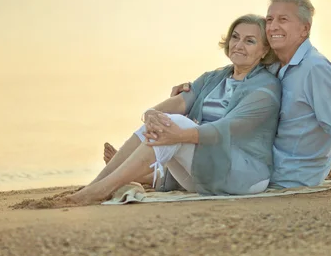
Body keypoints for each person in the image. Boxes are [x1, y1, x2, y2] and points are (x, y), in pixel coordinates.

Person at [163, 0, 331, 197]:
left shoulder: (316, 69)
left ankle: (130, 173)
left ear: (305, 29)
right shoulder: (273, 66)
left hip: (287, 176)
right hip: (257, 163)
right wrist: (192, 90)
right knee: (173, 141)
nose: (272, 27)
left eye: (283, 19)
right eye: (269, 19)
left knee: (177, 139)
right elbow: (231, 86)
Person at [59, 14, 281, 206]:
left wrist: (180, 133)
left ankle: (103, 188)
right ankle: (97, 184)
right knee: (166, 120)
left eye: (249, 41)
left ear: (264, 51)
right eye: (235, 37)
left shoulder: (265, 89)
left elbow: (226, 130)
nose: (238, 45)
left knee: (177, 124)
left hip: (242, 176)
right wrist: (151, 116)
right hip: (204, 173)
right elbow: (173, 106)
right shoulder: (214, 78)